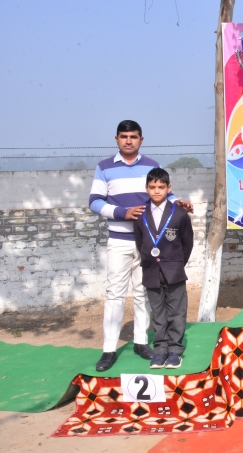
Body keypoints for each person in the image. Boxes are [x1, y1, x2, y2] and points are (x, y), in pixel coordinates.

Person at [89, 120, 193, 372]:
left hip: (149, 242)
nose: (128, 141)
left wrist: (179, 202)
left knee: (143, 293)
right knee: (115, 293)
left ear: (141, 140)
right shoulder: (104, 167)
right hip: (120, 240)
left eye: (133, 136)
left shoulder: (152, 165)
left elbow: (164, 194)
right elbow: (95, 202)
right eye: (124, 136)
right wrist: (123, 212)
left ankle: (141, 342)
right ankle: (109, 349)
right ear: (117, 139)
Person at [134, 168, 193, 369]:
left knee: (176, 312)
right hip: (151, 271)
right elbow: (140, 242)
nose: (157, 191)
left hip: (174, 271)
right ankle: (160, 350)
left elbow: (187, 243)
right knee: (158, 314)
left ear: (169, 188)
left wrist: (176, 264)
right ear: (147, 189)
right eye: (152, 187)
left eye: (161, 187)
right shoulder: (140, 215)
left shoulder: (179, 214)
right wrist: (151, 261)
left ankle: (175, 350)